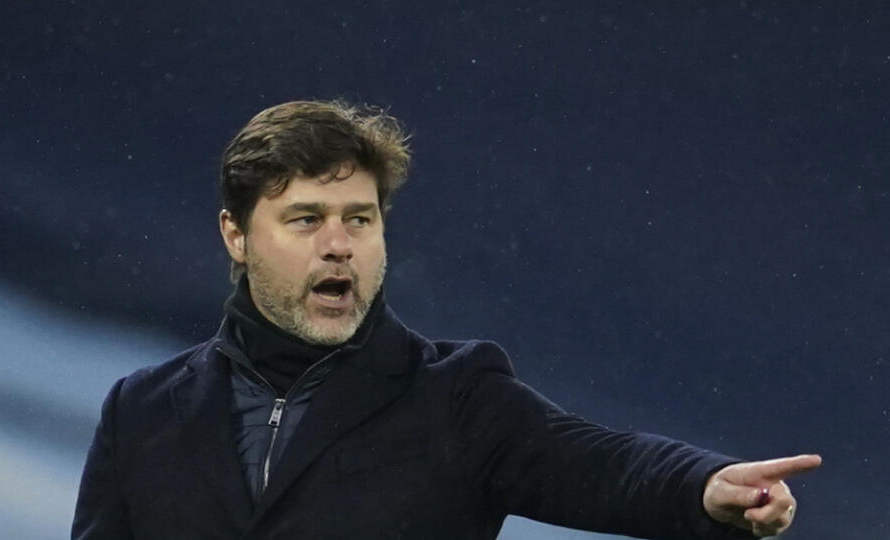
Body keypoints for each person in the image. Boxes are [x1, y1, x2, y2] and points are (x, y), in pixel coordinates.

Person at [71, 100, 821, 540]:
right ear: (236, 236)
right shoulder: (140, 413)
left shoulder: (456, 401)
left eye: (359, 220)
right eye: (305, 219)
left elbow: (595, 460)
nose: (339, 245)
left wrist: (704, 485)